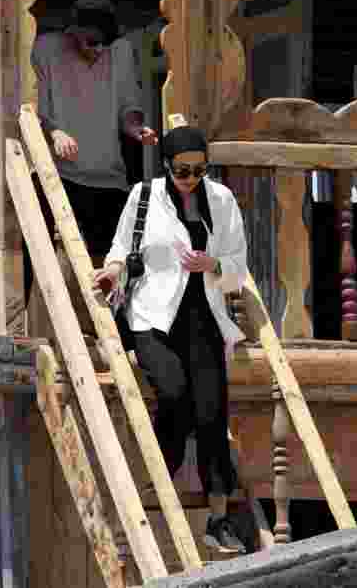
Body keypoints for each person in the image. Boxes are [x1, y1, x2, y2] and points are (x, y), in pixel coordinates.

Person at [93, 126, 250, 554]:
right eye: (183, 170)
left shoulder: (222, 200)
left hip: (204, 319)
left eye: (200, 169)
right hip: (153, 317)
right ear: (167, 165)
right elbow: (120, 250)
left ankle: (218, 519)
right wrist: (110, 273)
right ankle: (160, 481)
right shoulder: (143, 198)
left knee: (212, 415)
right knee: (174, 394)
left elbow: (239, 268)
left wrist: (213, 262)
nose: (192, 178)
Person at [24, 0, 158, 311]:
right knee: (33, 246)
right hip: (59, 173)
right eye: (91, 42)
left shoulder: (120, 51)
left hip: (107, 176)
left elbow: (128, 108)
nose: (98, 50)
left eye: (104, 44)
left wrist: (136, 129)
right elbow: (31, 106)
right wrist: (55, 133)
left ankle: (123, 332)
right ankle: (21, 326)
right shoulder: (45, 49)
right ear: (72, 31)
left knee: (121, 255)